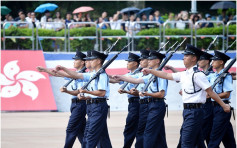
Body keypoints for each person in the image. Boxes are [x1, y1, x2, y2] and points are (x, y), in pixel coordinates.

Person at [141, 44, 231, 147]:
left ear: (193, 58)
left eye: (187, 56)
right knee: (198, 142)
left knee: (186, 143)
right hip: (188, 111)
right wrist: (150, 70)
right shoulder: (184, 74)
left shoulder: (198, 75)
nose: (184, 58)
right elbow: (166, 75)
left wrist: (223, 105)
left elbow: (210, 91)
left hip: (195, 111)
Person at [55, 50, 112, 148]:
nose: (88, 62)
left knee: (90, 136)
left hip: (98, 107)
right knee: (99, 137)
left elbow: (102, 93)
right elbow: (76, 75)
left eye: (91, 60)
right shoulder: (93, 74)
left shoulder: (101, 75)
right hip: (92, 106)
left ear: (98, 61)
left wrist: (86, 92)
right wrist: (63, 68)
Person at [113, 50, 168, 148]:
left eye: (151, 59)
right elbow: (136, 80)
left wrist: (147, 94)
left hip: (156, 104)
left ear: (158, 61)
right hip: (147, 105)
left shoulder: (161, 75)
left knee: (148, 133)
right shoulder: (151, 75)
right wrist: (121, 77)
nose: (148, 61)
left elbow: (161, 94)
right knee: (149, 133)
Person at [36, 51, 87, 148]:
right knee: (80, 130)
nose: (74, 62)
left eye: (76, 60)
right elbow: (57, 74)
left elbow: (79, 91)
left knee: (71, 129)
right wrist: (44, 69)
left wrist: (67, 91)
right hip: (75, 104)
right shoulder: (74, 74)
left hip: (80, 104)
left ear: (82, 62)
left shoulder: (83, 75)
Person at [207, 50, 236, 148]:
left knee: (214, 136)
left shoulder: (226, 76)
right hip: (213, 107)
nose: (212, 63)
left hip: (221, 108)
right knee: (228, 138)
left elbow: (227, 94)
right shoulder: (212, 76)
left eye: (215, 60)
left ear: (221, 62)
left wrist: (212, 95)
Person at [117, 52, 141, 148]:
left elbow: (137, 92)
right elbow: (116, 80)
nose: (127, 63)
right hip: (132, 104)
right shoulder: (128, 74)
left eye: (129, 62)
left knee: (130, 128)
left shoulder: (139, 75)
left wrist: (126, 91)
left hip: (137, 102)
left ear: (135, 63)